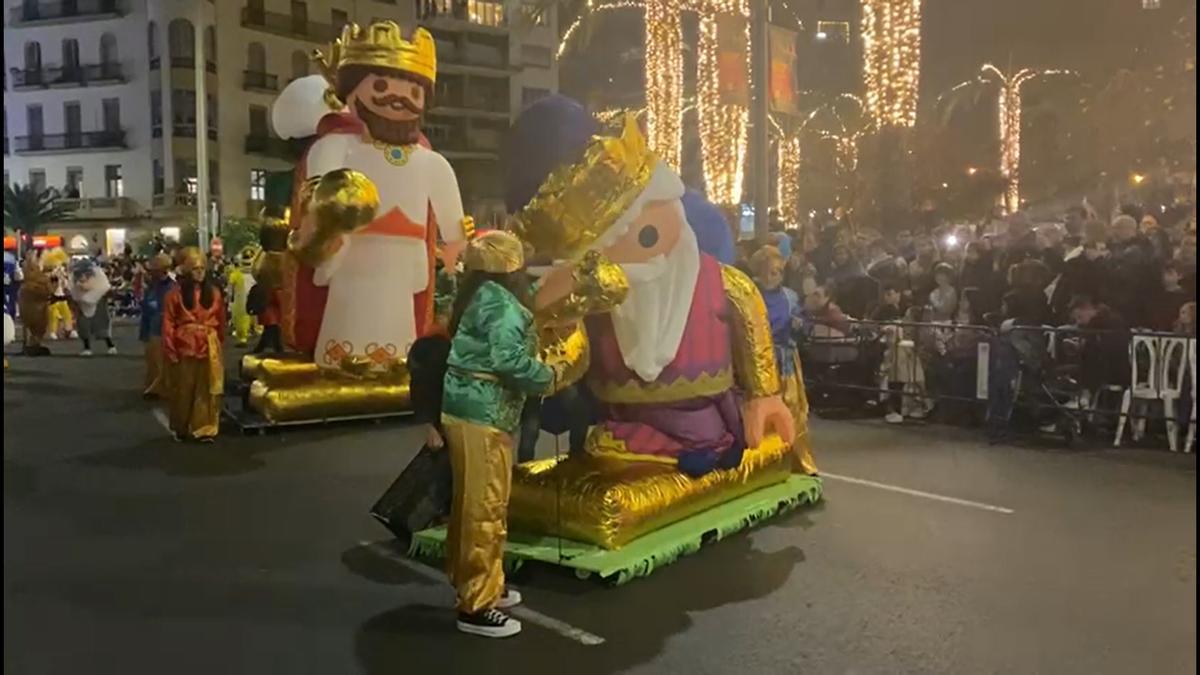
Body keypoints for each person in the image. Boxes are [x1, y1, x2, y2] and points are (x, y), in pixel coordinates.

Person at [440, 231, 555, 638]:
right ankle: (476, 604)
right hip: (484, 413)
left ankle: (480, 580)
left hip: (468, 409)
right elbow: (510, 362)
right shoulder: (505, 306)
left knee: (474, 503)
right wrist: (551, 375)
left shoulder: (476, 296)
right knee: (485, 508)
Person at [749, 245, 818, 475]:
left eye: (779, 271)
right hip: (761, 364)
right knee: (763, 416)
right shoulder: (751, 297)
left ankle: (799, 461)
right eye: (771, 271)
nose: (775, 276)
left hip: (787, 363)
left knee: (794, 411)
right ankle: (767, 467)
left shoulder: (790, 297)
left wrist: (800, 326)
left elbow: (802, 327)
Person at [162, 247, 226, 443]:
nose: (199, 272)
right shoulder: (175, 295)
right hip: (186, 347)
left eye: (202, 269)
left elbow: (221, 320)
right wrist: (170, 350)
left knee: (206, 390)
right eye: (195, 269)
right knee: (184, 388)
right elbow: (168, 324)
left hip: (209, 346)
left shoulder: (214, 293)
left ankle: (204, 428)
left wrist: (219, 344)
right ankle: (182, 426)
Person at [139, 253, 175, 399]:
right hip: (153, 327)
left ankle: (160, 388)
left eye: (154, 270)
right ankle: (154, 386)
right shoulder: (152, 287)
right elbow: (147, 310)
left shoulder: (172, 288)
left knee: (162, 361)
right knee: (152, 360)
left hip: (165, 329)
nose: (150, 273)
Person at [68, 258, 116, 356]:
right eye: (79, 274)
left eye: (85, 274)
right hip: (82, 303)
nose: (82, 277)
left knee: (101, 324)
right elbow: (74, 291)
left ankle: (110, 345)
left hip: (98, 301)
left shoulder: (99, 276)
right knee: (83, 325)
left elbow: (104, 288)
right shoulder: (74, 278)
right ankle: (87, 347)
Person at [1149, 260, 1191, 332]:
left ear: (1180, 275)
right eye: (1163, 274)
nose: (1165, 277)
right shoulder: (1155, 295)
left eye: (1169, 273)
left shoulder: (1186, 297)